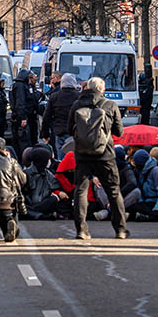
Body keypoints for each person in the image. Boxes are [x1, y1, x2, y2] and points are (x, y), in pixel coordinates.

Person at [69, 76, 128, 240]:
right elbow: (119, 132)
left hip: (82, 154)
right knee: (114, 191)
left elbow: (69, 129)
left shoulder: (77, 104)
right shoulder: (110, 105)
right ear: (103, 90)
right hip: (105, 154)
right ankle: (120, 229)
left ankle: (81, 229)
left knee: (80, 190)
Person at [42, 73, 80, 153]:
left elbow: (46, 116)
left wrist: (45, 134)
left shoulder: (54, 97)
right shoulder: (79, 96)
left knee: (61, 160)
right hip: (76, 132)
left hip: (60, 131)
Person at [10, 67, 36, 154]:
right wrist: (23, 117)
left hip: (21, 116)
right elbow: (20, 103)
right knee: (23, 140)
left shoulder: (19, 85)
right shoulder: (20, 86)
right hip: (21, 117)